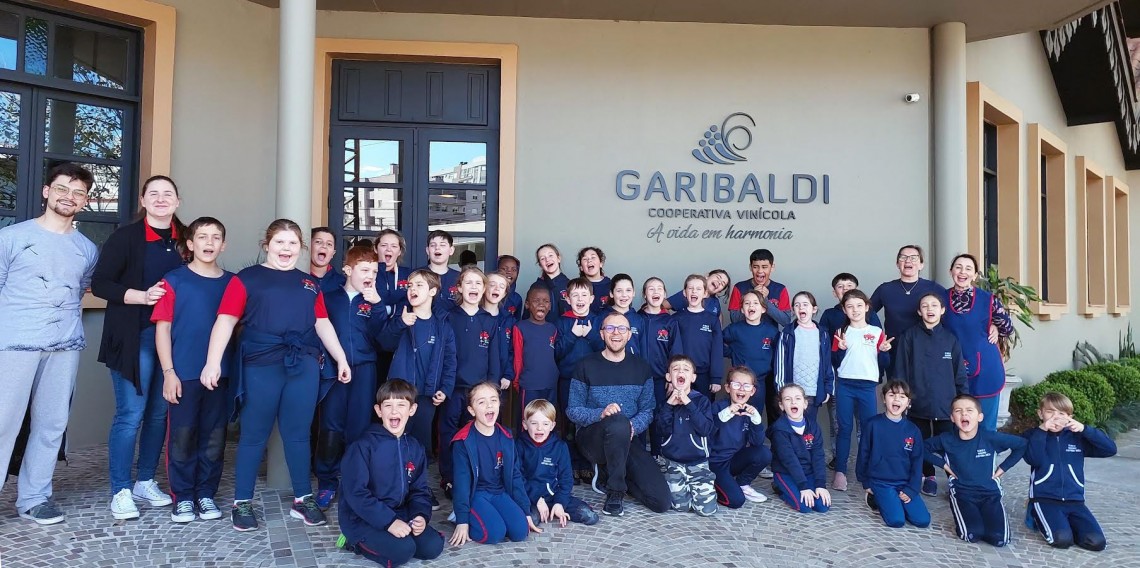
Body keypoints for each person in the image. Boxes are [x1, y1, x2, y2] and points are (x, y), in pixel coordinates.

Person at [201, 218, 353, 532]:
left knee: (298, 434)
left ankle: (303, 498)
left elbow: (322, 324)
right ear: (267, 245)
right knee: (254, 435)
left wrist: (341, 358)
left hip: (303, 366)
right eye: (280, 242)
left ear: (301, 248)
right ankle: (242, 502)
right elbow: (225, 321)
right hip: (260, 365)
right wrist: (212, 362)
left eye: (292, 243)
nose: (286, 248)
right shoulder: (246, 279)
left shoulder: (309, 283)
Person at [0, 163, 98, 525]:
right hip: (14, 343)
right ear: (46, 191)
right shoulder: (11, 237)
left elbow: (80, 290)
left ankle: (34, 498)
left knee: (52, 423)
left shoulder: (87, 249)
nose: (68, 197)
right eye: (62, 188)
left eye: (78, 193)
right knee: (3, 422)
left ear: (84, 201)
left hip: (65, 345)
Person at [92, 174, 186, 519]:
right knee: (131, 414)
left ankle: (145, 481)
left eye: (168, 194)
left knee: (159, 413)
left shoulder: (186, 239)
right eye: (153, 193)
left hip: (173, 340)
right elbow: (100, 284)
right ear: (143, 201)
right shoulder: (125, 237)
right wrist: (142, 297)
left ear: (177, 202)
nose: (161, 199)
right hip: (135, 336)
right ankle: (120, 489)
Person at [154, 216, 235, 523]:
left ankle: (205, 493)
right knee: (183, 435)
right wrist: (169, 372)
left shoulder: (233, 283)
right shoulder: (173, 280)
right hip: (184, 373)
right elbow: (163, 329)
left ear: (223, 245)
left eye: (216, 237)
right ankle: (184, 496)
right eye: (202, 237)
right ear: (190, 243)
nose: (209, 243)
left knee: (214, 436)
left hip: (221, 374)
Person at [566, 312, 671, 516]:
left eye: (622, 328)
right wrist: (601, 413)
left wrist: (633, 427)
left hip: (627, 438)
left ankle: (610, 474)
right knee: (617, 422)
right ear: (602, 334)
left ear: (629, 334)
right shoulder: (585, 365)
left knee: (661, 502)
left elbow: (647, 410)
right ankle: (615, 491)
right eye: (610, 328)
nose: (616, 333)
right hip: (592, 440)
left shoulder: (641, 367)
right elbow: (573, 410)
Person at [336, 379, 445, 567]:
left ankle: (397, 534)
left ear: (412, 409)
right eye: (388, 405)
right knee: (403, 550)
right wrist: (389, 522)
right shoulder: (362, 447)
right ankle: (353, 541)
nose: (394, 411)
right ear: (379, 411)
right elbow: (356, 494)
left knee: (432, 546)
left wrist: (420, 515)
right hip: (364, 518)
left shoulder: (415, 448)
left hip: (400, 513)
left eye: (401, 405)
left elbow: (419, 490)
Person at [314, 244, 386, 509]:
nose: (370, 276)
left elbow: (383, 337)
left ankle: (355, 481)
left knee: (359, 425)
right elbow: (317, 331)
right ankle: (327, 481)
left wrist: (378, 305)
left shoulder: (373, 301)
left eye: (374, 272)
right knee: (331, 425)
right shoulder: (329, 297)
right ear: (347, 269)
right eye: (364, 270)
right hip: (333, 371)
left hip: (365, 369)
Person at [379, 268, 457, 512]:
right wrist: (400, 324)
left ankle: (420, 489)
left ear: (433, 291)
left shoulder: (442, 325)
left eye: (419, 285)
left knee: (421, 443)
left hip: (426, 395)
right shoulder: (402, 317)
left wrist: (445, 388)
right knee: (395, 439)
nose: (412, 289)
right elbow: (384, 343)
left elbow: (450, 361)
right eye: (410, 286)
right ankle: (392, 488)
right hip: (400, 395)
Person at [924, 395, 1026, 547]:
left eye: (969, 410)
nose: (964, 414)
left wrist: (1002, 469)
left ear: (980, 417)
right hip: (962, 493)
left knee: (1000, 540)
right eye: (958, 411)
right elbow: (921, 448)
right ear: (952, 418)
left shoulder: (990, 437)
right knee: (972, 535)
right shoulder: (946, 439)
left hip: (990, 493)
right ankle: (972, 519)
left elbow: (1022, 445)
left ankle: (987, 518)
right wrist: (943, 465)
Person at [1022, 392, 1117, 551]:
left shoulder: (1077, 437)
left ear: (1070, 417)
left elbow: (1110, 449)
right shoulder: (1032, 435)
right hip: (1045, 499)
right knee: (1062, 539)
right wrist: (1042, 430)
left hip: (1075, 500)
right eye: (1050, 412)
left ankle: (1066, 524)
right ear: (1040, 414)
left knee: (1096, 542)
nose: (1056, 417)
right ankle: (1035, 514)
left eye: (1062, 413)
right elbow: (1034, 459)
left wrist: (1085, 429)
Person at [449, 382, 541, 546]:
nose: (489, 405)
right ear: (471, 410)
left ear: (499, 404)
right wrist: (462, 520)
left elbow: (515, 475)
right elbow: (461, 483)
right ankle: (463, 515)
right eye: (481, 402)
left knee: (520, 532)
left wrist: (525, 510)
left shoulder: (506, 436)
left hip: (499, 492)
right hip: (476, 494)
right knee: (495, 534)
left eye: (493, 400)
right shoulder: (463, 441)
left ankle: (490, 515)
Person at [894, 292, 968, 496]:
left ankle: (956, 480)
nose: (929, 309)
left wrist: (962, 402)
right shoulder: (909, 336)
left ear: (942, 310)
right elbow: (900, 371)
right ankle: (929, 477)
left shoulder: (950, 339)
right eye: (925, 306)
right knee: (921, 444)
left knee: (951, 443)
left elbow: (960, 374)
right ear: (919, 311)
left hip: (946, 404)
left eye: (934, 305)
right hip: (918, 403)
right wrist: (902, 399)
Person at [439, 268, 501, 499]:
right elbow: (442, 354)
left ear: (483, 289)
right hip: (453, 388)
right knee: (449, 433)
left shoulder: (490, 321)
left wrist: (492, 389)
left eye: (478, 283)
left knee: (476, 433)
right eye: (468, 283)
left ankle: (476, 476)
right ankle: (449, 478)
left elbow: (494, 357)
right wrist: (442, 386)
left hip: (479, 391)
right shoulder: (449, 317)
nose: (473, 287)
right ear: (459, 288)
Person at [942, 253, 1014, 432]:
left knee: (986, 426)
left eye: (968, 269)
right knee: (953, 425)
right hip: (950, 367)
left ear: (975, 275)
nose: (962, 272)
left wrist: (995, 326)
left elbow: (1007, 327)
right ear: (950, 272)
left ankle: (986, 451)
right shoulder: (939, 299)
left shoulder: (988, 300)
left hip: (985, 368)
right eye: (958, 267)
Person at [830, 289, 891, 492]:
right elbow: (835, 362)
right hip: (845, 385)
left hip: (867, 386)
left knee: (867, 428)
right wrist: (841, 349)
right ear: (844, 310)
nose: (855, 310)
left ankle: (865, 470)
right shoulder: (841, 332)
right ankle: (840, 471)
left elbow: (883, 363)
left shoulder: (876, 332)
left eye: (858, 305)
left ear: (866, 307)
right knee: (844, 428)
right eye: (850, 306)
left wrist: (884, 352)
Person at [855, 380, 930, 529]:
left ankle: (894, 501)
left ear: (908, 403)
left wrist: (911, 489)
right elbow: (863, 454)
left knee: (922, 520)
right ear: (884, 399)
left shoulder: (913, 430)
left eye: (902, 396)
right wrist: (866, 482)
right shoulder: (873, 425)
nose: (896, 399)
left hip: (904, 482)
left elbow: (917, 462)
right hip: (881, 482)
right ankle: (875, 498)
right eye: (892, 395)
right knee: (896, 520)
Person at [515, 399, 599, 527]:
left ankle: (556, 509)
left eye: (545, 424)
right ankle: (543, 510)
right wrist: (536, 499)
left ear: (552, 426)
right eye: (534, 423)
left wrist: (560, 502)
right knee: (532, 520)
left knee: (589, 516)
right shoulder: (519, 446)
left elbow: (566, 479)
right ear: (525, 425)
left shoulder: (560, 447)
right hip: (530, 496)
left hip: (554, 495)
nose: (539, 428)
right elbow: (517, 478)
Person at [869, 245, 946, 375]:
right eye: (903, 257)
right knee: (897, 387)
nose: (908, 260)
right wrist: (878, 338)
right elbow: (866, 315)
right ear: (897, 264)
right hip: (895, 351)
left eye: (913, 258)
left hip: (926, 350)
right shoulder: (885, 289)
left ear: (921, 265)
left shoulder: (934, 288)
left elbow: (948, 318)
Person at [655, 355, 717, 516]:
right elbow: (661, 430)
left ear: (693, 377)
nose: (680, 372)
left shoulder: (701, 401)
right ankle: (683, 488)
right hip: (673, 464)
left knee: (706, 511)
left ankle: (703, 486)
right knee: (680, 507)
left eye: (686, 369)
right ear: (669, 377)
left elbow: (705, 429)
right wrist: (669, 405)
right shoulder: (665, 403)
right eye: (675, 369)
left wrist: (688, 403)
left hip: (698, 464)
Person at [710, 367, 771, 508]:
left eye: (747, 386)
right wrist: (723, 415)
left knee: (764, 453)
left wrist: (756, 421)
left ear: (752, 391)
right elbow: (706, 433)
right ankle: (710, 485)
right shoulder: (717, 407)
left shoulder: (749, 411)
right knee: (736, 501)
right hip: (715, 463)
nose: (741, 389)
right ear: (728, 388)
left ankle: (742, 483)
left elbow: (757, 443)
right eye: (736, 384)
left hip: (734, 460)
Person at [774, 292, 833, 425]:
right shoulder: (787, 333)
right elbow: (780, 364)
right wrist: (781, 390)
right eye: (797, 305)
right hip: (792, 393)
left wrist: (828, 389)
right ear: (793, 310)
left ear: (814, 309)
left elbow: (827, 364)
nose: (801, 307)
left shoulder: (823, 334)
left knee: (809, 427)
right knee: (791, 426)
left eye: (805, 304)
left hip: (813, 391)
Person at [768, 384, 830, 513]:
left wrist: (820, 485)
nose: (793, 402)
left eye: (797, 398)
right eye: (788, 399)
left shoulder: (813, 426)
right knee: (804, 507)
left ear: (805, 404)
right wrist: (803, 487)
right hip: (786, 472)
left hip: (808, 471)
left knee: (822, 506)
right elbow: (789, 460)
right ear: (781, 406)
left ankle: (805, 487)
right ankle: (780, 488)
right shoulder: (780, 430)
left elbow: (818, 456)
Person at [639, 277, 682, 457]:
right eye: (651, 288)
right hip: (637, 379)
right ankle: (639, 457)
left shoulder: (670, 322)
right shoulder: (636, 319)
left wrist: (672, 379)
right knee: (639, 417)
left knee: (658, 417)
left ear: (664, 294)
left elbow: (676, 353)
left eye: (659, 289)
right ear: (644, 294)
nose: (655, 292)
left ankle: (657, 455)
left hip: (660, 380)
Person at [723, 290, 780, 409]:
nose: (751, 306)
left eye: (755, 303)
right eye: (747, 303)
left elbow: (779, 354)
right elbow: (717, 343)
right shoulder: (734, 329)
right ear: (742, 310)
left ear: (763, 309)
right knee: (736, 413)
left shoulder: (772, 331)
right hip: (738, 382)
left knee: (755, 414)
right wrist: (732, 353)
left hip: (760, 382)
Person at [511, 286, 559, 421]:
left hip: (550, 383)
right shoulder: (520, 327)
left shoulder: (552, 329)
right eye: (536, 300)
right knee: (528, 420)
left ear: (550, 306)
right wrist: (517, 381)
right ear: (527, 304)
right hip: (529, 384)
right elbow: (518, 358)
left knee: (548, 419)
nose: (541, 304)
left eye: (546, 301)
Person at [672, 274, 724, 397]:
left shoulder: (712, 319)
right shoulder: (676, 319)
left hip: (704, 375)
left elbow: (717, 349)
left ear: (705, 293)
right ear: (684, 293)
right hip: (680, 374)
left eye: (698, 289)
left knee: (703, 407)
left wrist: (716, 378)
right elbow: (672, 349)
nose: (694, 291)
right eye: (690, 288)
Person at [727, 249, 791, 326]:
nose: (760, 271)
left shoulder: (780, 289)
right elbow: (734, 319)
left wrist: (765, 301)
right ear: (750, 267)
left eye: (764, 267)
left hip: (770, 333)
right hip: (743, 332)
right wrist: (754, 296)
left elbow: (786, 321)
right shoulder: (739, 287)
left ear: (772, 267)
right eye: (755, 267)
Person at [602, 273, 646, 358]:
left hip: (633, 365)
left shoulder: (638, 319)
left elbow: (643, 350)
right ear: (611, 293)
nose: (624, 295)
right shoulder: (602, 317)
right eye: (619, 291)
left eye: (628, 290)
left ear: (633, 293)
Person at [374, 228, 411, 317]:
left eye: (394, 246)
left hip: (400, 323)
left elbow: (410, 302)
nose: (388, 249)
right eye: (384, 245)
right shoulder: (368, 274)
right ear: (375, 249)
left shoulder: (409, 274)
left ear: (399, 251)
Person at [663, 269, 729, 319]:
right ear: (707, 276)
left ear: (719, 291)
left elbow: (719, 316)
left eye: (722, 284)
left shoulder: (715, 302)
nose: (719, 282)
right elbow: (662, 305)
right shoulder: (690, 293)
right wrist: (668, 324)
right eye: (718, 277)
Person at [423, 230, 459, 314]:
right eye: (433, 245)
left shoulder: (459, 278)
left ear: (451, 250)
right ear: (427, 250)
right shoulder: (417, 275)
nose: (437, 248)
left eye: (442, 245)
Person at [533, 243, 570, 316]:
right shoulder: (535, 287)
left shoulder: (570, 285)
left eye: (550, 255)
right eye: (542, 258)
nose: (547, 260)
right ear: (540, 265)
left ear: (558, 258)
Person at [309, 226, 346, 293]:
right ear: (309, 247)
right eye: (318, 242)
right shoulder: (298, 278)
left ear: (333, 253)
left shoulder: (342, 283)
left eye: (329, 244)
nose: (324, 246)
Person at [577, 246, 611, 313]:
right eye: (585, 259)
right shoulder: (577, 287)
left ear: (601, 263)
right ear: (581, 267)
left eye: (593, 257)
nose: (589, 260)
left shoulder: (611, 285)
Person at [495, 254, 523, 320]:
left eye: (514, 269)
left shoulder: (517, 299)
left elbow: (517, 321)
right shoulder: (489, 294)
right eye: (504, 269)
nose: (509, 272)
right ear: (496, 270)